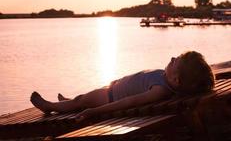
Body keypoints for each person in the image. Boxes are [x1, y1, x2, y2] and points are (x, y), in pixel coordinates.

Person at [30, 51, 215, 122]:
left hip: (111, 97)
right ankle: (68, 102)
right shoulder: (167, 81)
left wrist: (95, 112)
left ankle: (51, 106)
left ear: (177, 80)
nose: (172, 58)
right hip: (113, 88)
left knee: (82, 101)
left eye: (176, 61)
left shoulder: (160, 90)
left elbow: (130, 101)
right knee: (82, 99)